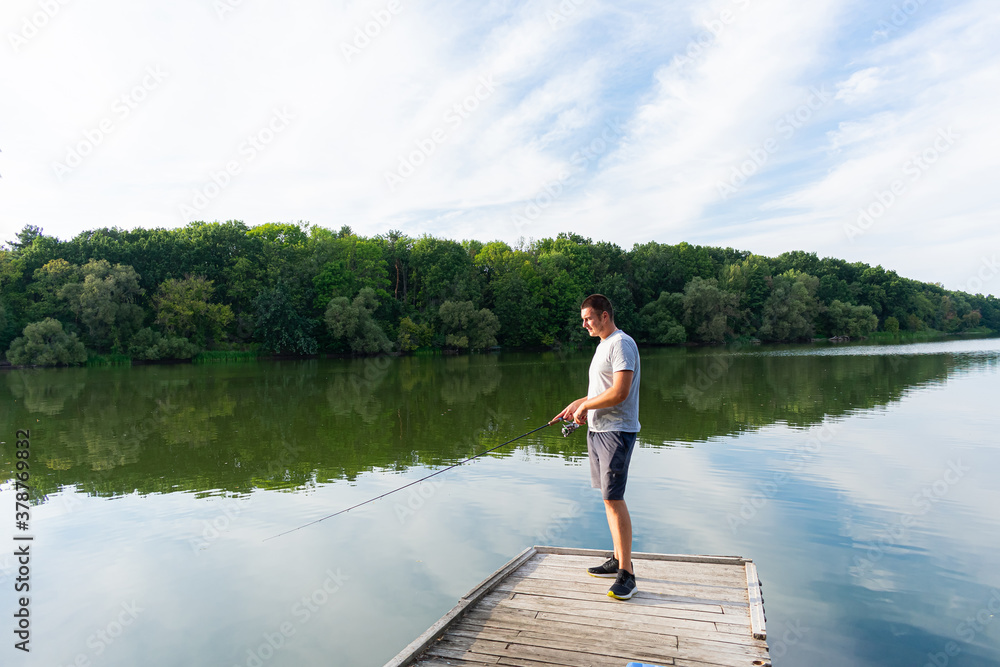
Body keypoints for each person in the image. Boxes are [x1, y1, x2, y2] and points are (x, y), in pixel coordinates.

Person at [551, 294, 641, 600]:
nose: (585, 324)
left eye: (589, 318)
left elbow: (620, 393)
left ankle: (627, 574)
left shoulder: (621, 343)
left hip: (617, 431)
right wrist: (578, 405)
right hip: (598, 430)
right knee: (607, 498)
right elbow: (601, 391)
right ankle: (617, 558)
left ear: (605, 316)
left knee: (614, 498)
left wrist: (588, 404)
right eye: (583, 320)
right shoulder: (604, 345)